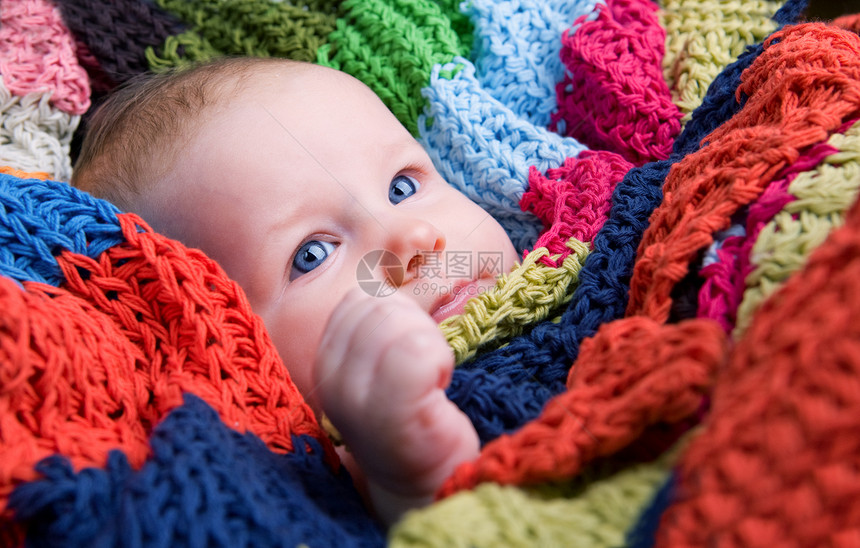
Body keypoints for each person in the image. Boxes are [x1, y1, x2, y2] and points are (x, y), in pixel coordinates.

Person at [72, 57, 519, 524]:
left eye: (402, 187)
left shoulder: (584, 261)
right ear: (237, 356)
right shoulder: (341, 465)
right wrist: (401, 476)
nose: (413, 239)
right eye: (312, 255)